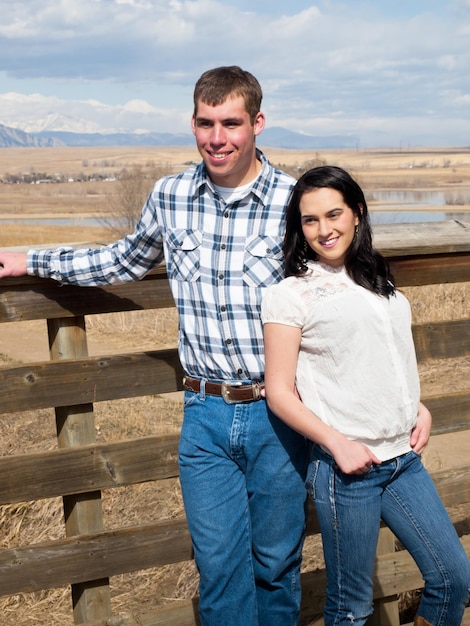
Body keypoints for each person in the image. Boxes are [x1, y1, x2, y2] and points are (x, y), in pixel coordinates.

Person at [0, 66, 310, 626]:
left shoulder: (296, 201)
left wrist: (399, 396)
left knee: (276, 566)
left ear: (257, 123)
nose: (218, 137)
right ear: (192, 123)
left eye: (231, 123)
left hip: (281, 414)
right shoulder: (171, 196)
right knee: (218, 570)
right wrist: (29, 260)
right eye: (205, 122)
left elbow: (343, 298)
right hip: (205, 415)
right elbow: (122, 260)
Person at [261, 165, 470, 626]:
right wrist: (336, 444)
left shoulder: (378, 279)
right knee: (350, 607)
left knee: (453, 577)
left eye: (333, 214)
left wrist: (416, 406)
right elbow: (278, 392)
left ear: (357, 212)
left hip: (402, 458)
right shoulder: (290, 295)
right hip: (347, 468)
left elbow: (382, 355)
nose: (323, 229)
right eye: (309, 220)